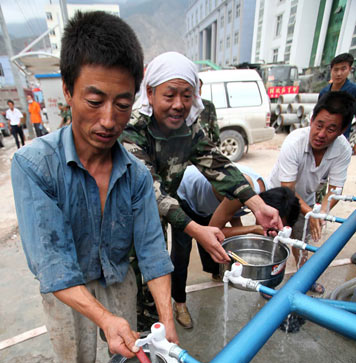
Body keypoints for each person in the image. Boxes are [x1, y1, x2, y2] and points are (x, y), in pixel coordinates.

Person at [11, 11, 177, 363]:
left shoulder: (137, 176)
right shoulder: (33, 165)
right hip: (65, 288)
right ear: (67, 91)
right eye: (95, 99)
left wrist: (168, 324)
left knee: (124, 349)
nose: (109, 119)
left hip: (116, 277)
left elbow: (153, 253)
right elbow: (52, 265)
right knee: (73, 358)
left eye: (123, 104)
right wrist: (102, 318)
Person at [120, 52, 282, 329]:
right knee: (127, 287)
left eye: (187, 95)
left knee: (153, 283)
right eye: (169, 95)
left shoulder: (188, 130)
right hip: (124, 222)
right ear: (150, 93)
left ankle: (154, 337)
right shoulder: (132, 130)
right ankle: (131, 343)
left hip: (157, 220)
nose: (179, 105)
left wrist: (258, 206)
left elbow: (219, 165)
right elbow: (149, 190)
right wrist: (196, 230)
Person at [265, 91, 355, 293]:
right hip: (278, 199)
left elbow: (336, 188)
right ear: (312, 119)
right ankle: (269, 285)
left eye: (331, 129)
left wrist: (321, 213)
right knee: (274, 241)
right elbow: (287, 187)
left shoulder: (342, 149)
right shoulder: (294, 141)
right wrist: (311, 213)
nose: (321, 134)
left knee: (301, 242)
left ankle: (304, 278)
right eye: (319, 125)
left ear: (342, 130)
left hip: (304, 200)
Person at [172, 164, 300, 304]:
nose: (271, 230)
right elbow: (213, 231)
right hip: (185, 194)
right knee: (182, 250)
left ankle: (217, 272)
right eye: (273, 225)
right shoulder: (241, 191)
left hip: (208, 203)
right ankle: (179, 302)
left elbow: (232, 212)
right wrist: (252, 229)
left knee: (217, 245)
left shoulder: (268, 195)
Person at [319, 53, 356, 140]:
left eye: (343, 69)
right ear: (331, 70)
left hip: (341, 137)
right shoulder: (324, 92)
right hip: (322, 136)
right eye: (336, 70)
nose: (339, 73)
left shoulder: (353, 91)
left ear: (349, 69)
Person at [198, 78, 220, 146]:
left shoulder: (208, 106)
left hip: (204, 151)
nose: (197, 91)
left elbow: (215, 134)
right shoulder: (179, 107)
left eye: (199, 88)